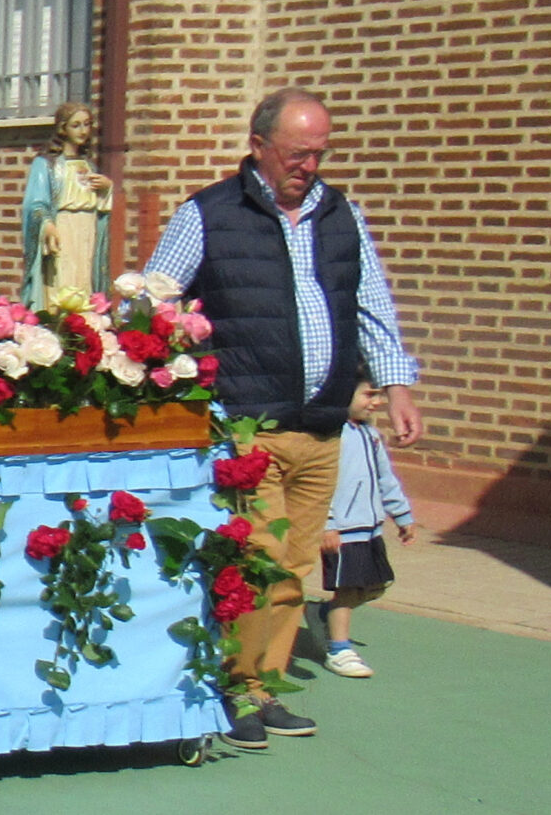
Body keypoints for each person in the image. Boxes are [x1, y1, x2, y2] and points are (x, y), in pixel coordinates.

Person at [144, 86, 423, 747]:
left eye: (319, 152)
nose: (309, 165)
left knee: (295, 565)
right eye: (298, 153)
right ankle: (234, 686)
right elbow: (154, 301)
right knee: (257, 559)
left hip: (322, 424)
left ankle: (264, 686)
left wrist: (397, 386)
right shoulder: (209, 214)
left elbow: (372, 303)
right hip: (250, 425)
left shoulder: (340, 215)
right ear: (259, 145)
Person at [321, 377, 416, 680]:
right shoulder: (331, 436)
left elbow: (386, 478)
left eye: (378, 395)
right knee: (347, 588)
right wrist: (327, 524)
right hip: (343, 529)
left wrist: (402, 515)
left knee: (376, 585)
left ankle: (324, 615)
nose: (376, 402)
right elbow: (320, 484)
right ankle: (339, 649)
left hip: (370, 528)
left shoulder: (370, 434)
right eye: (368, 395)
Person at [20, 101, 115, 306]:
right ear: (63, 128)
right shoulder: (46, 164)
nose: (83, 131)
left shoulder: (88, 165)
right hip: (62, 228)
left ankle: (84, 319)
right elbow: (35, 203)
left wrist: (106, 188)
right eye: (76, 125)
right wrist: (46, 224)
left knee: (84, 279)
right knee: (62, 279)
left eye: (87, 124)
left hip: (87, 229)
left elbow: (99, 205)